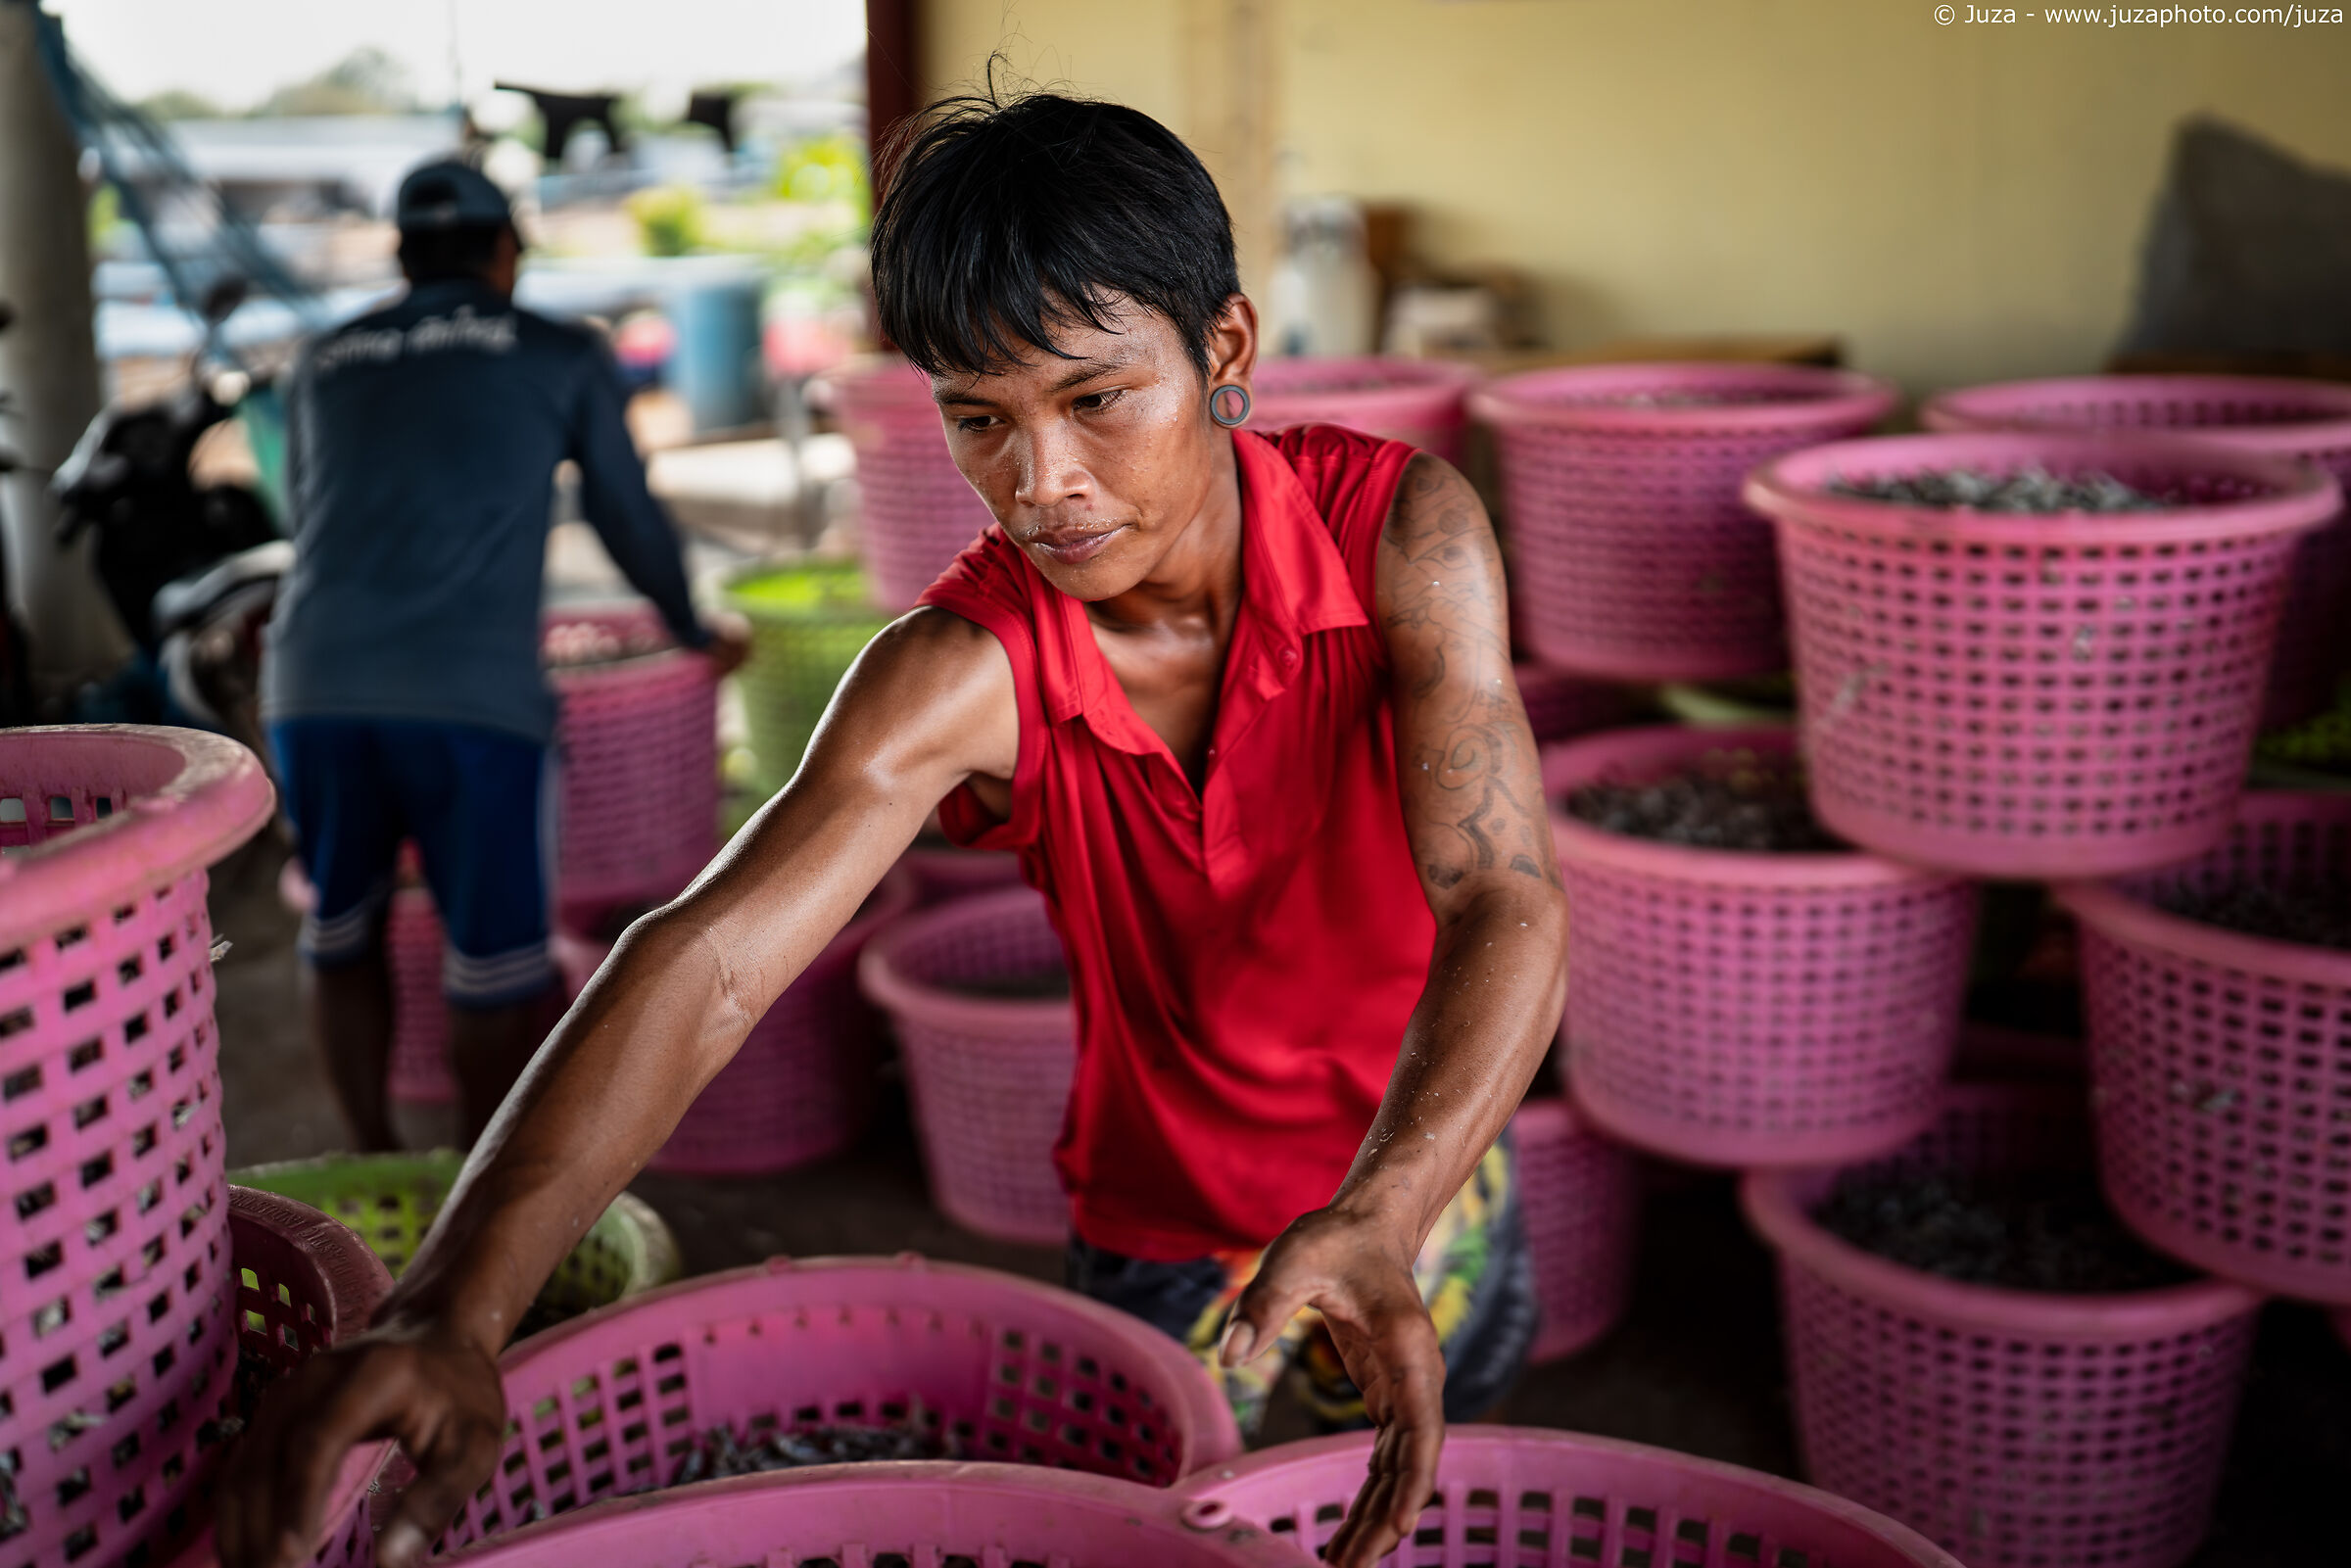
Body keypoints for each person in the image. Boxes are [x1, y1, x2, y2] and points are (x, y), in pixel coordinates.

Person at [223, 95, 1566, 1568]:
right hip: (1153, 1207)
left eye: (1096, 399)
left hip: (1424, 1170)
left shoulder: (1400, 536)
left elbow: (1503, 890)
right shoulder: (961, 668)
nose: (1041, 481)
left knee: (1418, 1520)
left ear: (1225, 351)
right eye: (978, 418)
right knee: (1174, 1533)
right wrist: (450, 1307)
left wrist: (1387, 1205)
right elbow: (711, 958)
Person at [260, 160, 747, 1150]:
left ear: (402, 257)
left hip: (314, 684)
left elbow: (309, 521)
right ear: (504, 252)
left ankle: (372, 1156)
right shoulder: (558, 350)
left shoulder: (321, 360)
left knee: (338, 930)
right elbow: (625, 513)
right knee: (495, 964)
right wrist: (694, 628)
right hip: (471, 702)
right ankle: (482, 1195)